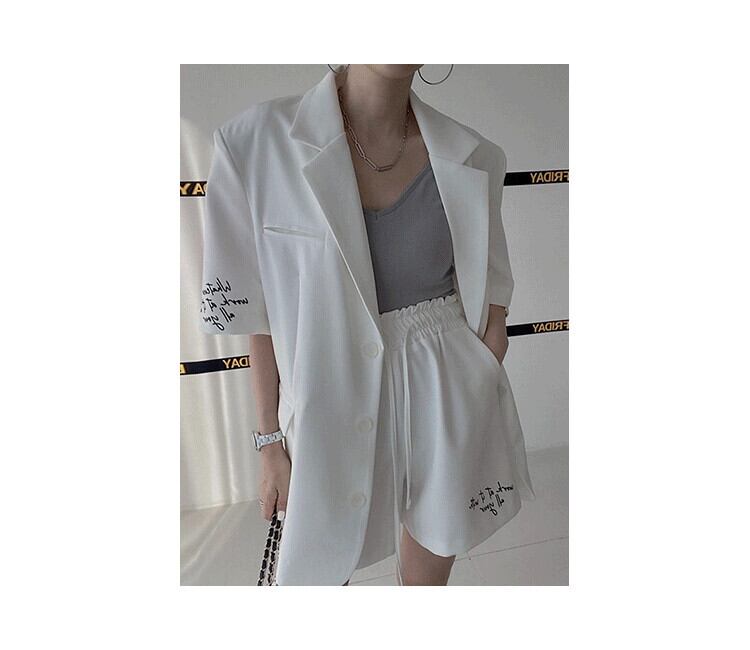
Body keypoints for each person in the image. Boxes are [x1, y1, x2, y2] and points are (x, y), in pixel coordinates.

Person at [200, 64, 535, 586]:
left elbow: (492, 288)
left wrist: (481, 367)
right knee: (319, 569)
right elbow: (257, 314)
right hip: (327, 393)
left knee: (427, 578)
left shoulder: (476, 156)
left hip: (446, 389)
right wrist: (269, 442)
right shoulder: (255, 143)